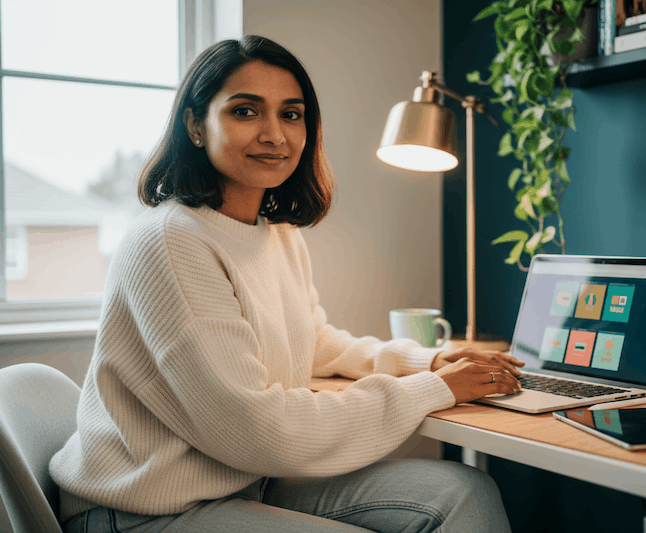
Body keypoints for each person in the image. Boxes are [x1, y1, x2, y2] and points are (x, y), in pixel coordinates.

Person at [49, 35, 523, 533]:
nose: (275, 135)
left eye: (291, 114)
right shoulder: (172, 241)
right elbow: (254, 428)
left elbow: (314, 343)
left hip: (239, 478)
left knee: (464, 491)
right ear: (194, 125)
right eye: (246, 111)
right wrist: (432, 389)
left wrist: (425, 361)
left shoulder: (274, 233)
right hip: (142, 508)